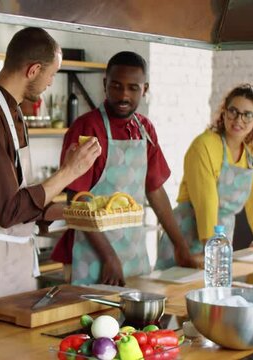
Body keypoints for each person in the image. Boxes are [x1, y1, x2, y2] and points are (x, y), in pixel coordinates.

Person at [0, 27, 102, 313]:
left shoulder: (12, 112)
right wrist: (68, 173)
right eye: (51, 74)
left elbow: (20, 198)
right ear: (33, 70)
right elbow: (8, 210)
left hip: (15, 257)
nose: (50, 82)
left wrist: (71, 212)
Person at [51, 51, 197, 286]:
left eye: (133, 88)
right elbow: (76, 201)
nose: (123, 95)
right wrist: (109, 257)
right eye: (116, 86)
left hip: (134, 252)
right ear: (105, 84)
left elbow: (155, 190)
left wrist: (180, 245)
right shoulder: (87, 128)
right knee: (94, 321)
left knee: (135, 322)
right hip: (93, 254)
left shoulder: (145, 128)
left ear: (145, 88)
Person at [155, 84, 253, 269]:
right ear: (224, 112)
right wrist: (211, 251)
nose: (238, 120)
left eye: (247, 114)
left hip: (220, 239)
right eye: (233, 111)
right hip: (187, 235)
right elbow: (206, 201)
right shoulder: (204, 146)